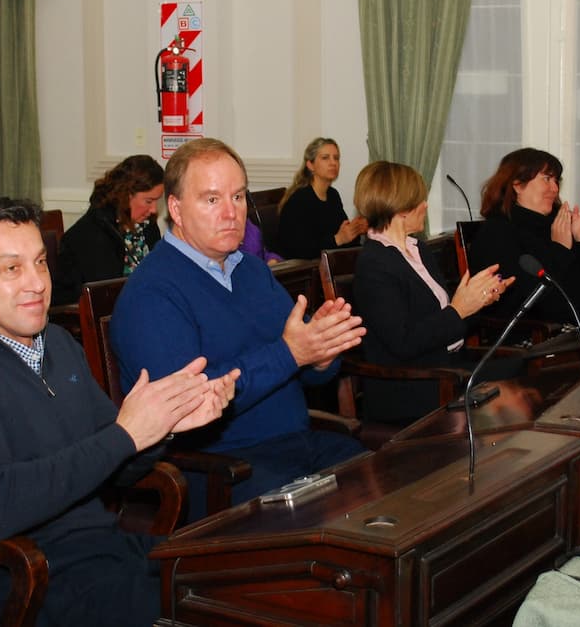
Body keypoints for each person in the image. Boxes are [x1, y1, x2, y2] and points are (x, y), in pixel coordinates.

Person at [0, 197, 238, 627]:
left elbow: (114, 467)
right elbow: (1, 508)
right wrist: (127, 434)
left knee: (240, 578)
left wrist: (163, 427)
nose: (37, 283)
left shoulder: (56, 343)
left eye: (40, 262)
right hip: (23, 579)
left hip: (102, 550)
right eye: (11, 269)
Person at [111, 138, 367, 519]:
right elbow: (191, 404)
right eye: (212, 200)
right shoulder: (153, 293)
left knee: (389, 486)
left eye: (238, 197)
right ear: (177, 209)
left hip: (297, 444)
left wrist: (320, 354)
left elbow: (304, 374)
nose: (232, 213)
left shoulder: (251, 270)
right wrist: (291, 352)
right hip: (220, 468)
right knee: (348, 529)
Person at [351, 161, 516, 422]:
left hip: (446, 367)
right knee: (517, 389)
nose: (425, 206)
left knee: (529, 367)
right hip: (413, 384)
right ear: (400, 208)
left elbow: (448, 322)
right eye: (419, 200)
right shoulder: (374, 264)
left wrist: (478, 301)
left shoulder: (419, 251)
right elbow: (403, 343)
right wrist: (459, 309)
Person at [468, 148, 580, 324]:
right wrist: (560, 249)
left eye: (556, 181)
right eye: (547, 179)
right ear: (517, 184)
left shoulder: (557, 223)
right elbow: (534, 300)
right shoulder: (497, 232)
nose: (555, 188)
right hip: (542, 333)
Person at [52, 155, 164, 304]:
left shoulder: (147, 226)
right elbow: (106, 294)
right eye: (149, 201)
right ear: (125, 195)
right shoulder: (90, 234)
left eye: (157, 201)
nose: (154, 209)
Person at [275, 137, 367, 260]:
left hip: (331, 263)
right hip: (305, 272)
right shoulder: (299, 200)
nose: (333, 163)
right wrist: (338, 239)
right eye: (325, 158)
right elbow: (299, 250)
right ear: (310, 165)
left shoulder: (333, 195)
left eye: (336, 158)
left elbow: (343, 237)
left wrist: (356, 230)